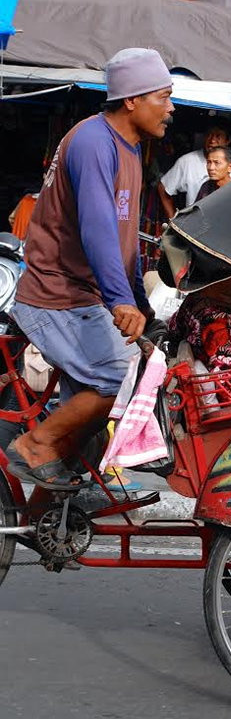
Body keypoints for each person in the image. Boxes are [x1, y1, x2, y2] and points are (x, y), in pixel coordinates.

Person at [6, 47, 174, 491]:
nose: (171, 109)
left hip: (83, 299)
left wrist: (141, 306)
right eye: (164, 97)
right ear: (133, 99)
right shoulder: (92, 141)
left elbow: (125, 243)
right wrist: (120, 301)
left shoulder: (131, 151)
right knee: (124, 378)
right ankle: (34, 444)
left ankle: (53, 517)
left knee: (90, 430)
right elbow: (99, 231)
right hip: (56, 295)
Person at [158, 123, 231, 217]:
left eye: (218, 136)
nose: (212, 140)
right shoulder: (187, 162)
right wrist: (173, 220)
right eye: (209, 135)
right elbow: (163, 187)